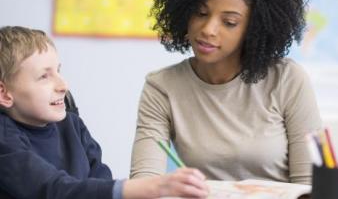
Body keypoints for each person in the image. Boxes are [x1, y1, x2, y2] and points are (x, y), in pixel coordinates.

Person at [130, 0, 322, 185]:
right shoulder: (162, 87)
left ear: (254, 27)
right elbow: (144, 183)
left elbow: (310, 186)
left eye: (229, 22)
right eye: (200, 13)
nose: (208, 29)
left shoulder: (288, 80)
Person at [0, 26, 209, 199]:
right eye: (44, 76)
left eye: (59, 71)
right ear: (4, 93)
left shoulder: (72, 124)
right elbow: (55, 190)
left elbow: (100, 181)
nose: (63, 85)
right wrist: (152, 187)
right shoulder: (5, 141)